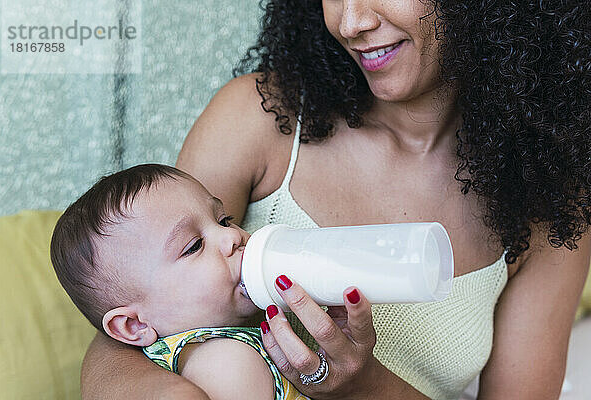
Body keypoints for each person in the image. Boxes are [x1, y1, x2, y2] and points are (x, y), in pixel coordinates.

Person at [81, 0, 591, 399]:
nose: (349, 21)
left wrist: (362, 387)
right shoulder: (262, 117)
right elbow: (130, 314)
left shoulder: (549, 205)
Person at [51, 163, 319, 400]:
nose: (232, 237)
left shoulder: (194, 356)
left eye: (224, 220)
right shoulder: (228, 363)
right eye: (194, 246)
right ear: (134, 325)